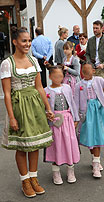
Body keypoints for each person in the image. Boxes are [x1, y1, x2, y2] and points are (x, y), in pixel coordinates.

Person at [0, 27, 54, 198]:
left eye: (29, 40)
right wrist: (11, 117)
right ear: (15, 42)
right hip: (19, 107)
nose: (28, 44)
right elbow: (7, 93)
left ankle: (33, 178)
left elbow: (39, 87)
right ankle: (25, 180)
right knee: (23, 146)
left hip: (35, 105)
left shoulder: (33, 60)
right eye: (24, 41)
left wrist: (48, 108)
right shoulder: (7, 63)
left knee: (35, 144)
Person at [74, 63, 104, 178]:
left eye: (88, 71)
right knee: (89, 138)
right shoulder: (78, 85)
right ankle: (95, 159)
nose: (85, 73)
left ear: (94, 71)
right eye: (83, 71)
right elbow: (75, 101)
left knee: (98, 136)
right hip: (86, 114)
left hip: (98, 112)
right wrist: (76, 118)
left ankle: (96, 164)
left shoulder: (99, 80)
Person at [44, 65, 80, 185]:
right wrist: (47, 115)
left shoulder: (67, 88)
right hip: (54, 123)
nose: (58, 78)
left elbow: (72, 103)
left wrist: (76, 118)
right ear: (50, 76)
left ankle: (71, 170)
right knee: (56, 145)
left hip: (68, 120)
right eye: (55, 76)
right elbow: (43, 108)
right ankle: (56, 172)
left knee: (69, 143)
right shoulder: (46, 91)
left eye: (60, 76)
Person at [86, 20, 104, 106]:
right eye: (93, 28)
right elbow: (87, 54)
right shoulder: (90, 40)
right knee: (94, 90)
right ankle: (98, 110)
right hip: (94, 69)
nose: (94, 30)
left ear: (102, 29)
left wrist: (103, 64)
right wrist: (90, 64)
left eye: (96, 28)